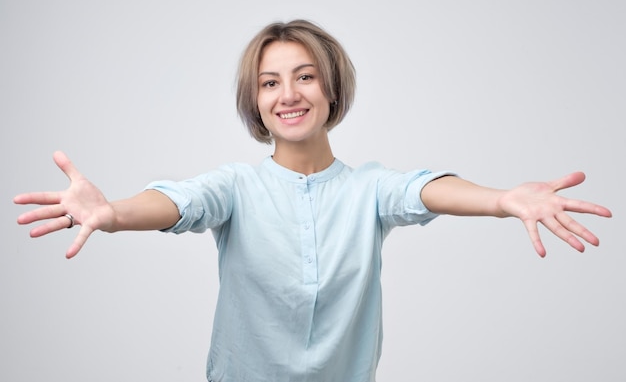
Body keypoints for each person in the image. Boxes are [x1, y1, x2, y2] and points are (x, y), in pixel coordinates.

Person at [14, 19, 612, 382]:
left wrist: (504, 199)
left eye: (304, 76)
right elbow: (181, 202)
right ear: (256, 102)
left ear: (331, 88)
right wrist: (114, 214)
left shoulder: (367, 188)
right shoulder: (237, 188)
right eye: (269, 83)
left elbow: (424, 188)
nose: (288, 95)